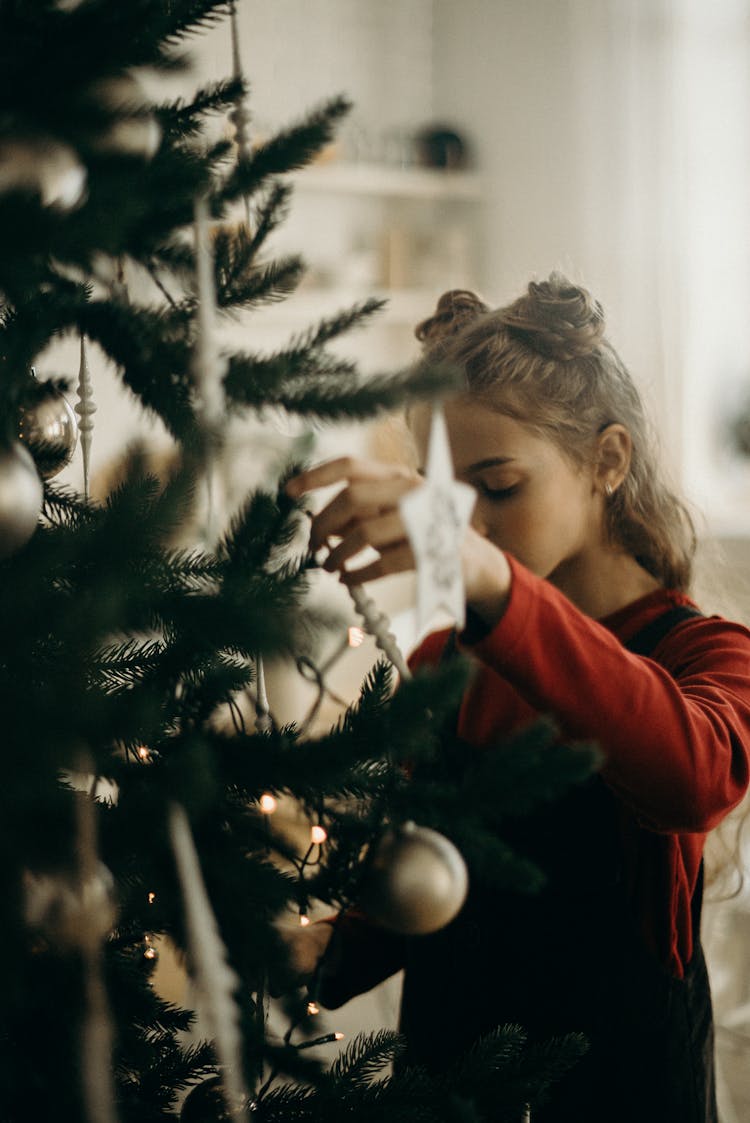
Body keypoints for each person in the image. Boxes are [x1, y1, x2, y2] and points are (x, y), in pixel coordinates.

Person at [283, 274, 750, 1122]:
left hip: (624, 1084)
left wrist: (497, 586)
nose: (473, 529)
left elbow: (690, 773)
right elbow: (428, 871)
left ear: (608, 461)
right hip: (449, 1076)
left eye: (498, 488)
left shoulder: (706, 652)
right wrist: (333, 950)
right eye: (450, 501)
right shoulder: (443, 661)